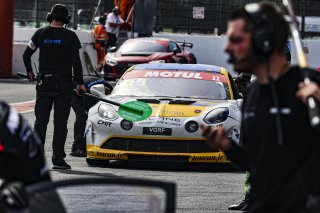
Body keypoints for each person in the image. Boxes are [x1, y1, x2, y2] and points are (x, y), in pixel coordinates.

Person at [201, 2, 320, 212]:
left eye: (236, 40)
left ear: (262, 41)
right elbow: (252, 162)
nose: (227, 48)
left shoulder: (310, 86)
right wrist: (227, 146)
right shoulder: (253, 95)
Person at [22, 4, 86, 170]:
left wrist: (29, 72)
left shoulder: (40, 33)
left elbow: (26, 54)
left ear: (50, 17)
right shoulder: (71, 36)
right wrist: (80, 83)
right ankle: (58, 159)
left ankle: (35, 159)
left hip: (44, 84)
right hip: (63, 85)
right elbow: (76, 62)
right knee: (60, 123)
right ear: (67, 20)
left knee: (40, 122)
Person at [70, 75, 113, 157]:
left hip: (86, 85)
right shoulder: (90, 94)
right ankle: (76, 147)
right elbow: (91, 115)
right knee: (82, 116)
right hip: (75, 91)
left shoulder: (112, 89)